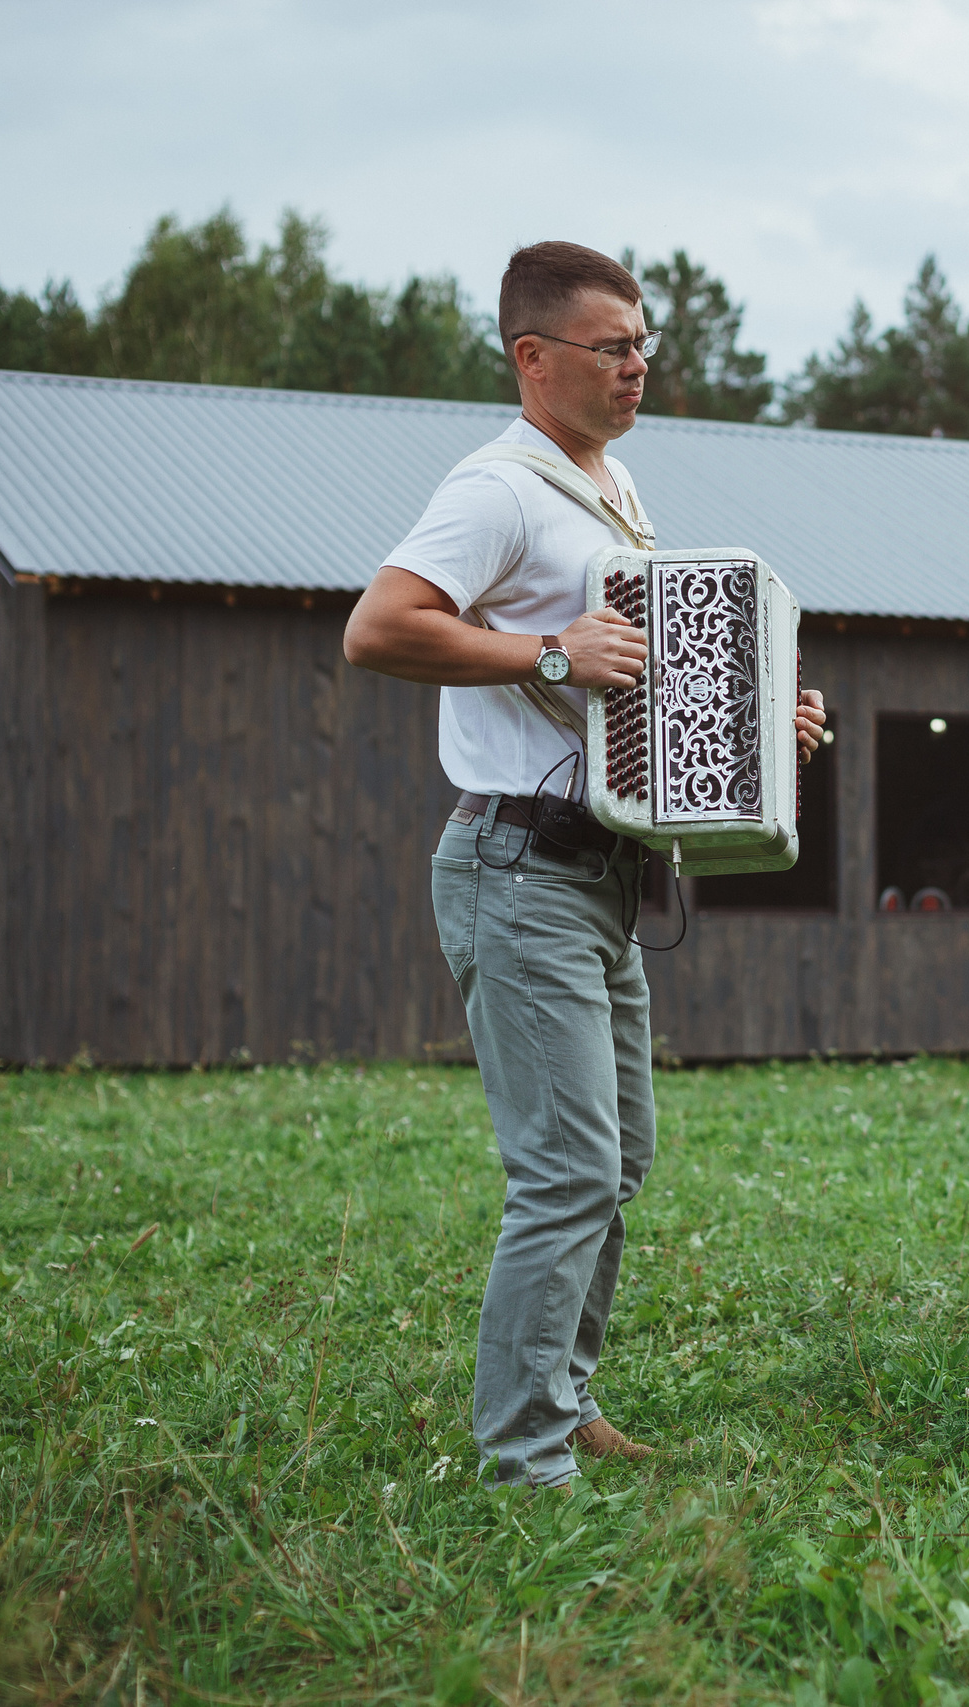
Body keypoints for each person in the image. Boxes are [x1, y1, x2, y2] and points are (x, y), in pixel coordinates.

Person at [343, 241, 825, 1487]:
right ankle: (523, 1462)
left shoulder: (612, 487)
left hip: (603, 877)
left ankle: (560, 1401)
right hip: (516, 865)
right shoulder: (496, 489)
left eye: (644, 343)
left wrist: (766, 725)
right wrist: (546, 656)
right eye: (612, 347)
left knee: (617, 1160)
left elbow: (636, 680)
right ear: (533, 358)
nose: (638, 366)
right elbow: (380, 628)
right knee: (564, 1168)